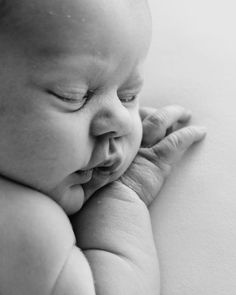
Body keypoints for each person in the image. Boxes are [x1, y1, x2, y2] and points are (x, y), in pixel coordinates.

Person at [0, 0, 206, 294]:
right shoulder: (28, 226)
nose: (122, 121)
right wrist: (124, 196)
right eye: (73, 96)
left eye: (129, 95)